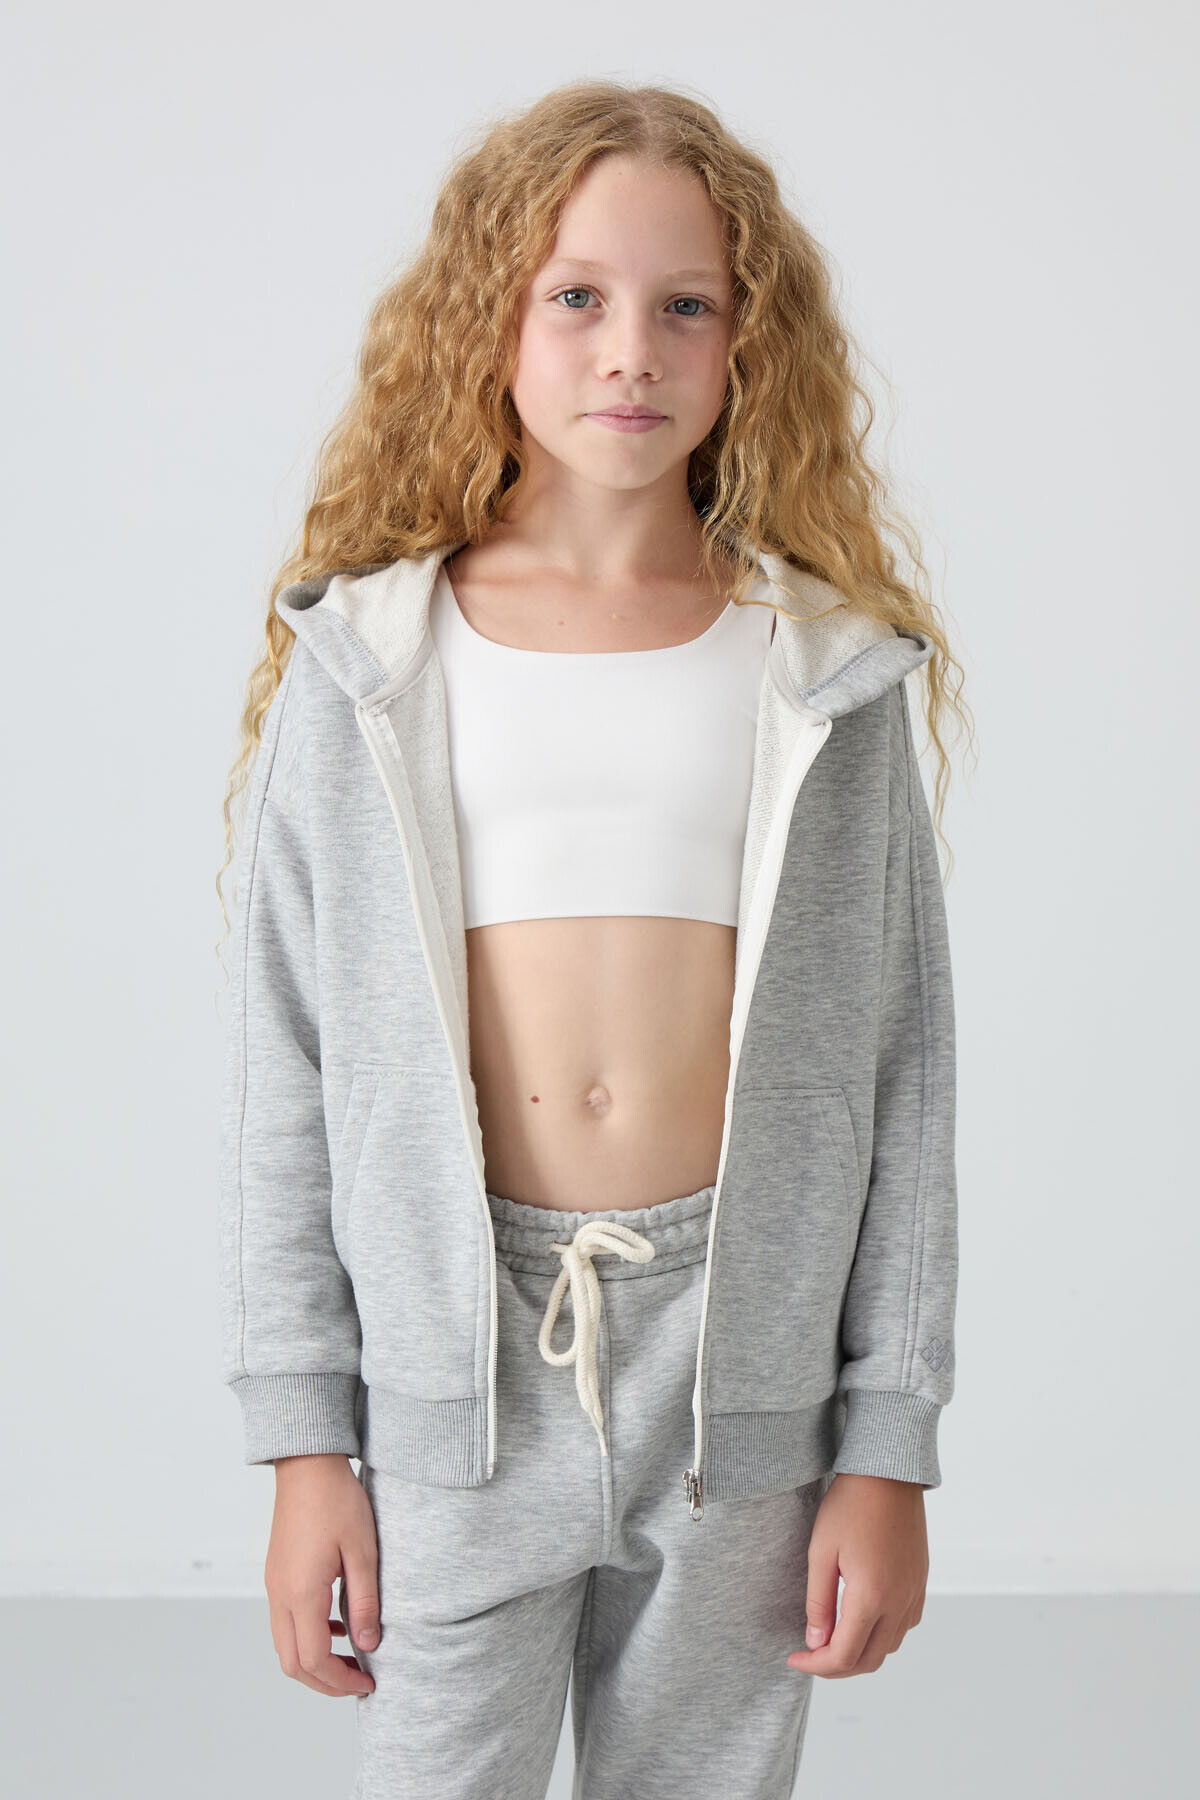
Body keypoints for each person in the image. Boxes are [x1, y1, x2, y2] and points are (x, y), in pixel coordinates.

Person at [217, 78, 969, 1800]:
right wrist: (305, 1445)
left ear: (747, 341)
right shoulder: (373, 663)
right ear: (489, 323)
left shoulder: (819, 670)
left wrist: (887, 1448)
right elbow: (291, 1066)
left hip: (740, 1377)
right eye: (578, 296)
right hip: (458, 1375)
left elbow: (904, 1072)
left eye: (686, 304)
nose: (632, 350)